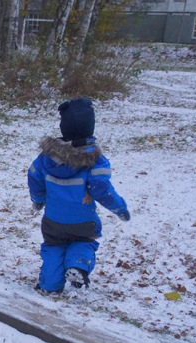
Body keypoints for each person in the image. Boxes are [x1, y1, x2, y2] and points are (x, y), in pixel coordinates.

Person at [27, 98, 130, 293]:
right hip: (83, 221)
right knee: (83, 242)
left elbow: (33, 177)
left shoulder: (46, 158)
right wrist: (119, 207)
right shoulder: (95, 160)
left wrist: (38, 200)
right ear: (90, 128)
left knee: (54, 247)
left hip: (53, 220)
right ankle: (77, 266)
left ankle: (49, 284)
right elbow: (101, 189)